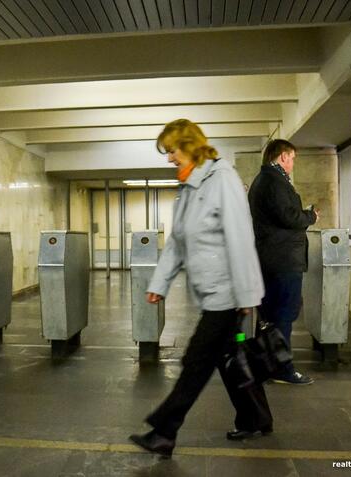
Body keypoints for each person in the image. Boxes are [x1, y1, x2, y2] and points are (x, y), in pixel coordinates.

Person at [129, 119, 272, 458]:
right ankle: (256, 417)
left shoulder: (222, 179)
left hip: (227, 292)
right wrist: (160, 283)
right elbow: (177, 243)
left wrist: (247, 296)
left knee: (196, 361)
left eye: (172, 151)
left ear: (189, 146)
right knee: (227, 358)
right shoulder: (188, 188)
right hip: (210, 293)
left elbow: (240, 238)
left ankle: (164, 431)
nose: (169, 158)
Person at [248, 140, 318, 385]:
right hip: (283, 259)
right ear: (283, 157)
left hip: (270, 257)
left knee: (268, 316)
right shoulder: (274, 181)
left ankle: (263, 366)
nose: (293, 164)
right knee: (283, 314)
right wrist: (310, 216)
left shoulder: (263, 180)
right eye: (293, 158)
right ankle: (282, 369)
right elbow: (288, 217)